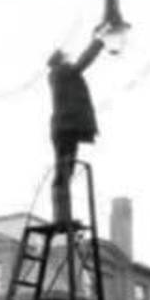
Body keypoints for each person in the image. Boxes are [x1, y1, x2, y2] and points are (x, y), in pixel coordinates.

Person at [47, 31, 105, 222]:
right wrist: (98, 41)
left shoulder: (59, 74)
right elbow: (83, 61)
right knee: (64, 171)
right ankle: (61, 216)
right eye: (66, 57)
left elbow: (79, 63)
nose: (69, 59)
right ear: (60, 60)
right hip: (66, 128)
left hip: (65, 128)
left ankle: (62, 215)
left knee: (65, 171)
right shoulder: (62, 72)